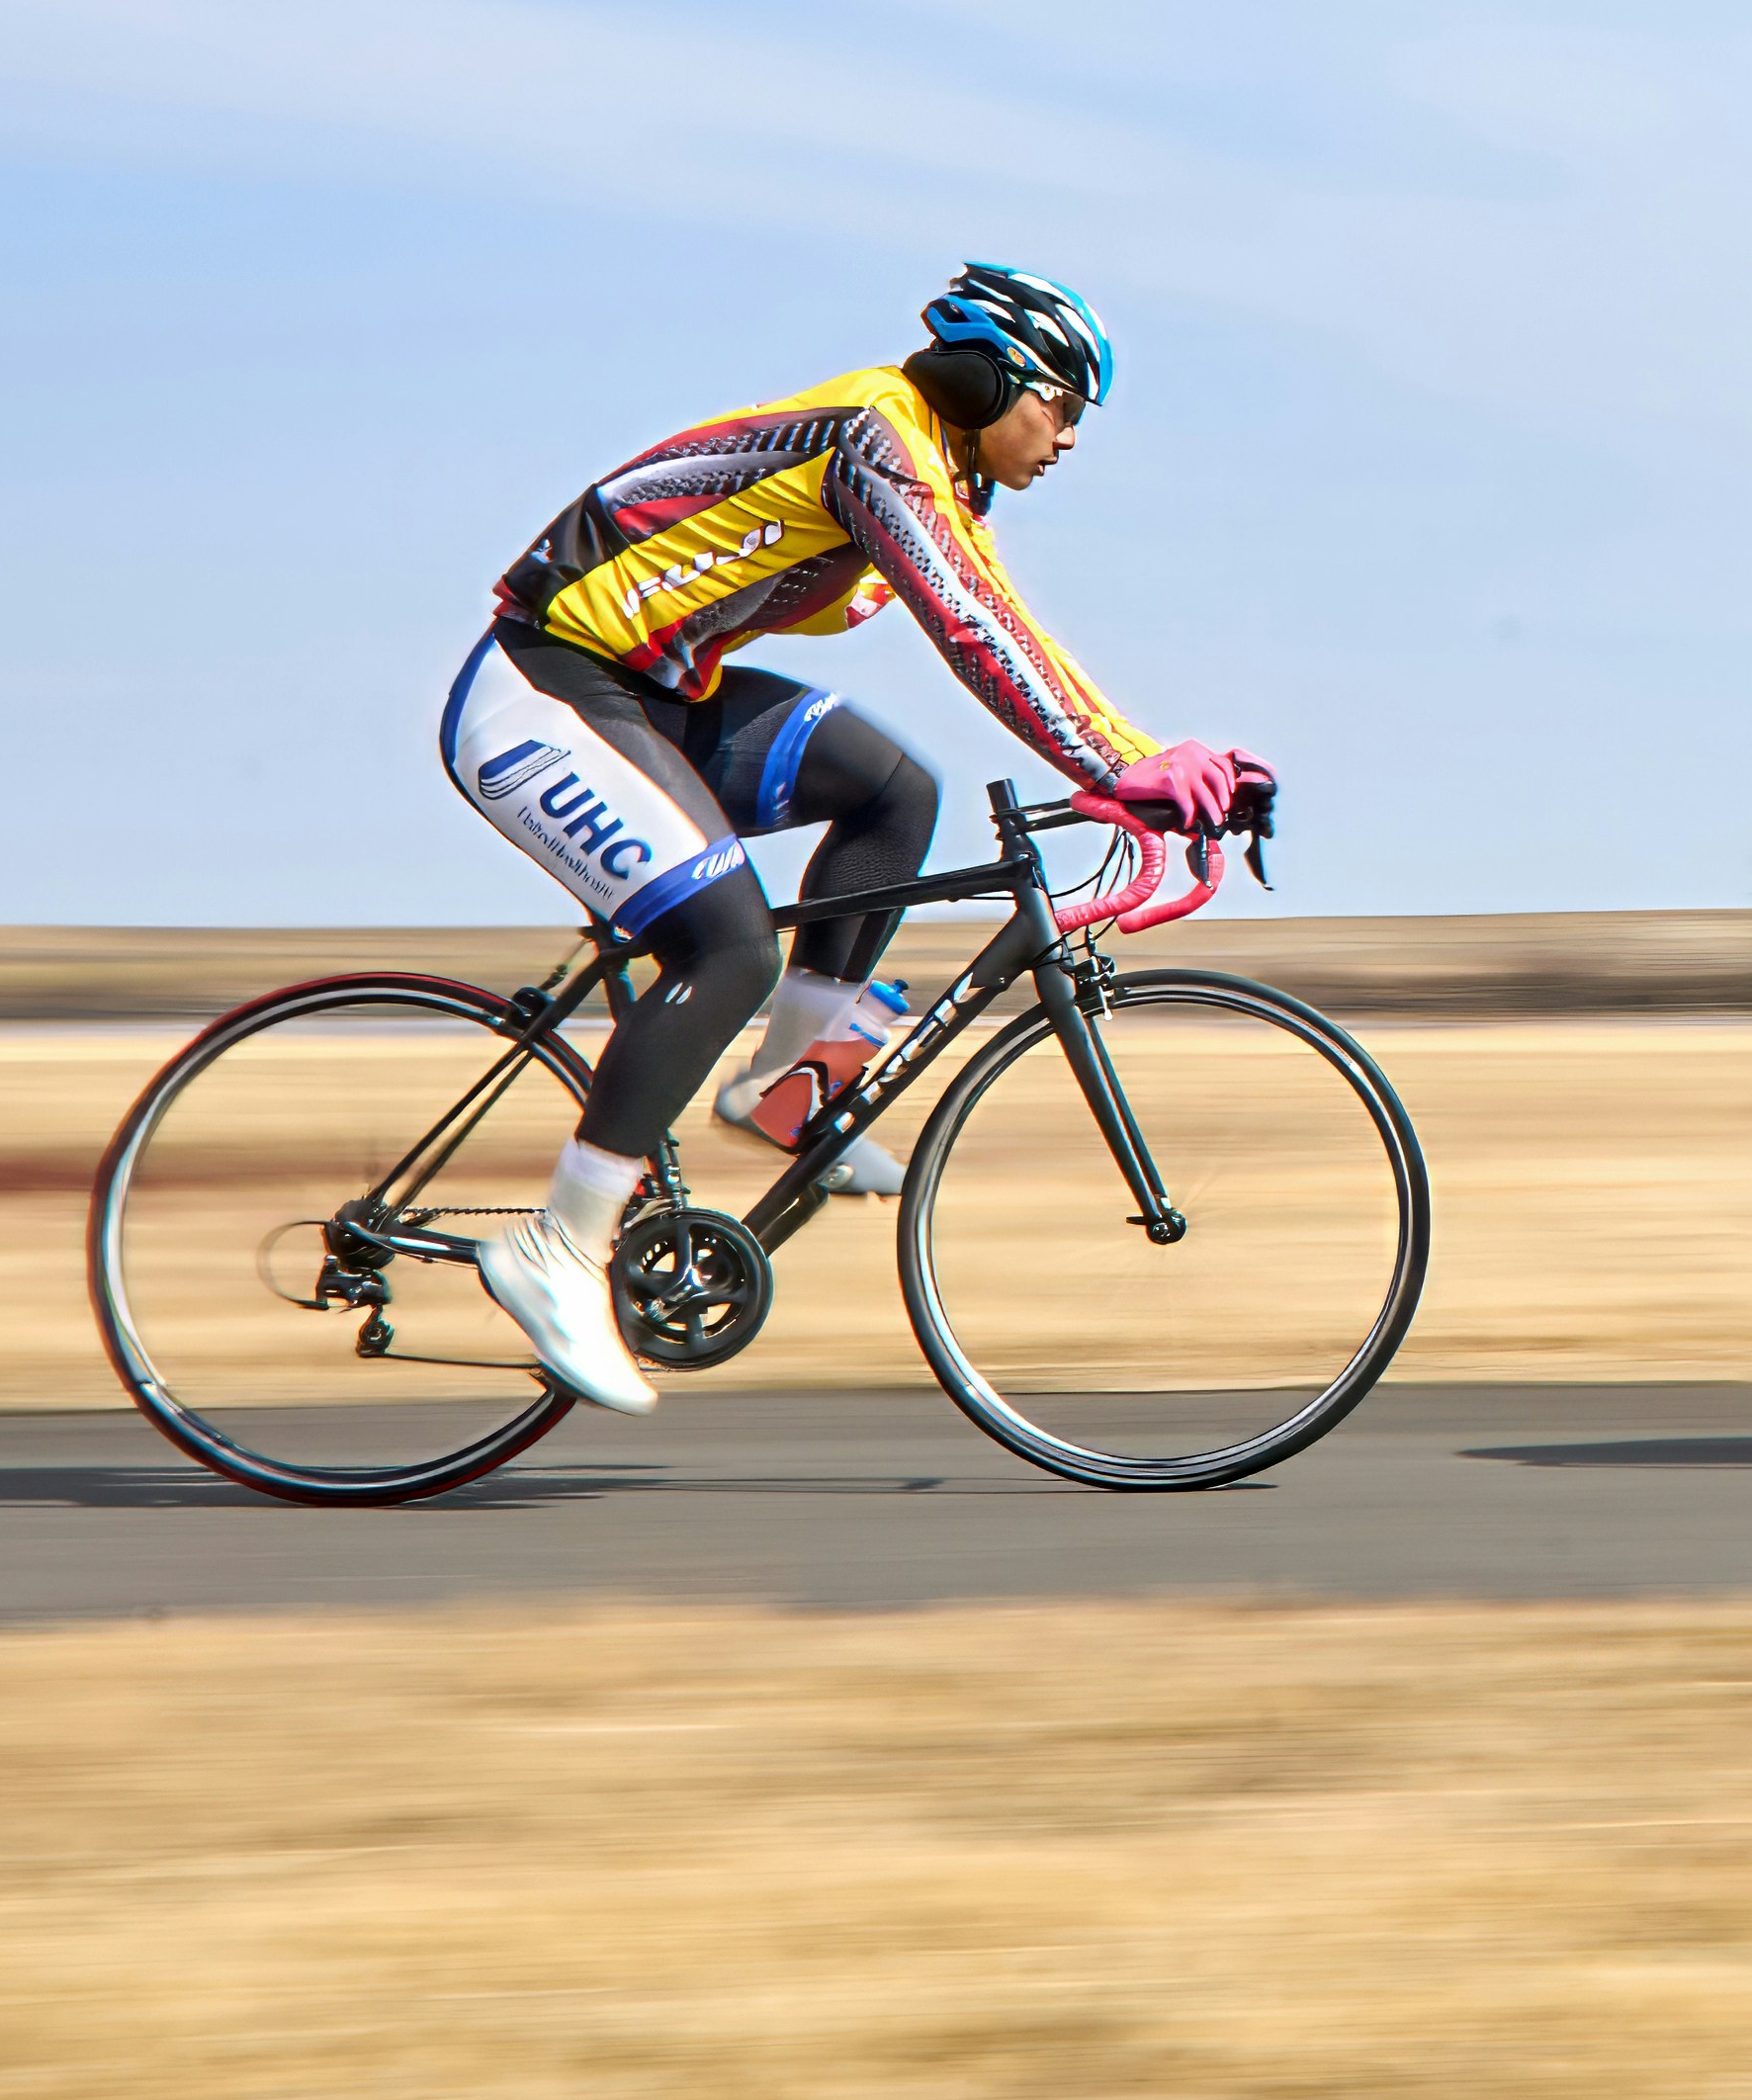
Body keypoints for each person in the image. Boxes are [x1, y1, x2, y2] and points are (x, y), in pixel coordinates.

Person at [435, 261, 1270, 1412]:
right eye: (1061, 405)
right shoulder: (881, 439)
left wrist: (1146, 762)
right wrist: (1127, 764)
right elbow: (980, 629)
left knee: (894, 792)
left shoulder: (929, 469)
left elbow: (976, 602)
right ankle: (557, 1246)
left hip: (652, 691)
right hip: (544, 689)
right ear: (988, 380)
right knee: (728, 947)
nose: (1070, 438)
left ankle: (789, 1085)